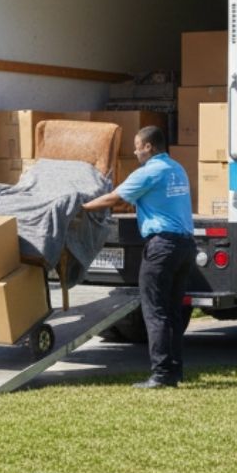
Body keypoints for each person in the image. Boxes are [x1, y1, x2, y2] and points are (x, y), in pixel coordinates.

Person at [83, 125, 195, 389]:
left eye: (137, 147)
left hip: (162, 247)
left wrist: (81, 207)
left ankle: (161, 375)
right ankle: (174, 371)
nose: (135, 153)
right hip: (185, 246)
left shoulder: (149, 172)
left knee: (155, 312)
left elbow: (114, 198)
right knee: (173, 312)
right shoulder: (177, 169)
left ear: (148, 147)